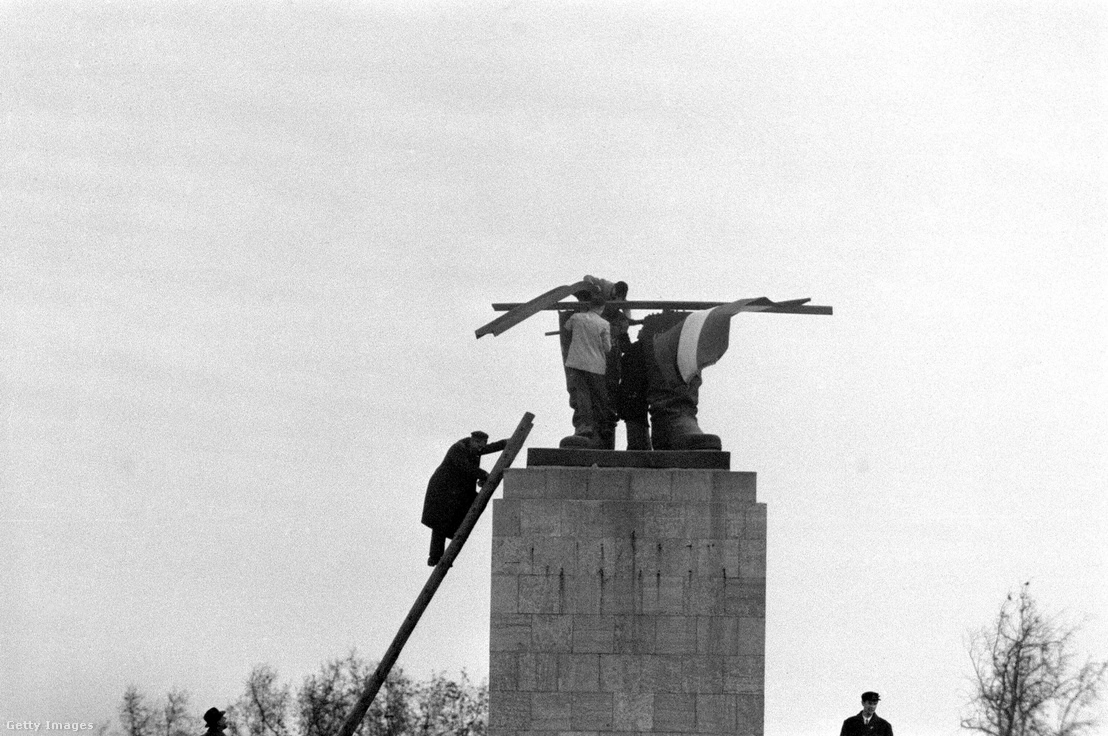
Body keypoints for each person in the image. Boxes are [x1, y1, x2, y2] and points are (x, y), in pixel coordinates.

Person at [421, 431, 507, 566]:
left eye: (482, 445)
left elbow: (490, 448)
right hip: (442, 489)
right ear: (472, 440)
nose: (480, 448)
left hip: (456, 490)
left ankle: (444, 549)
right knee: (440, 524)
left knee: (463, 510)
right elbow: (465, 466)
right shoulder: (458, 448)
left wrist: (506, 442)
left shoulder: (474, 448)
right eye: (478, 444)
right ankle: (435, 557)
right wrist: (483, 475)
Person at [559, 287, 613, 449]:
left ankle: (585, 426)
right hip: (596, 365)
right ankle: (604, 426)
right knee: (599, 396)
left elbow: (566, 328)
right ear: (602, 308)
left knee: (582, 395)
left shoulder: (577, 317)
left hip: (576, 363)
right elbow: (608, 348)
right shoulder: (604, 323)